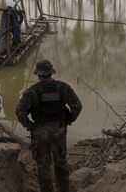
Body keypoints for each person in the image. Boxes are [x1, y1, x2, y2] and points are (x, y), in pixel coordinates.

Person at [16, 59, 82, 192]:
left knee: (43, 164)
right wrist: (69, 119)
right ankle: (64, 189)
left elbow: (20, 111)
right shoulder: (63, 87)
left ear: (38, 75)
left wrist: (30, 126)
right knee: (60, 162)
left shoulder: (32, 91)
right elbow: (77, 106)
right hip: (59, 129)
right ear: (51, 73)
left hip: (40, 132)